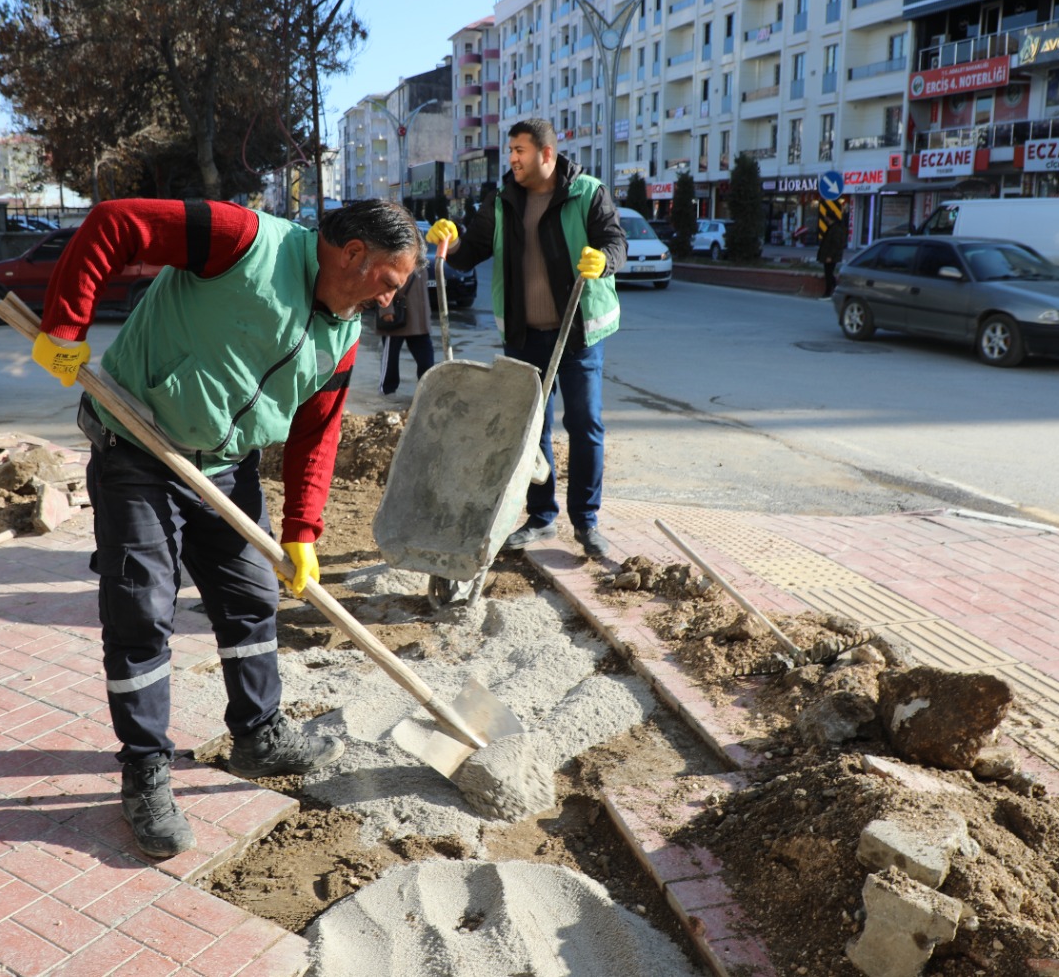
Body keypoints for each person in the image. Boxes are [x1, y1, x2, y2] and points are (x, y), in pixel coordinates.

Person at [32, 197, 422, 859]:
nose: (389, 301)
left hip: (225, 466)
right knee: (141, 612)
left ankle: (258, 734)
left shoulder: (343, 332)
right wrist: (66, 326)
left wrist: (302, 528)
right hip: (137, 446)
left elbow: (317, 432)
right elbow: (114, 224)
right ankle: (145, 771)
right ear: (353, 254)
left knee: (251, 599)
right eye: (388, 282)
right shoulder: (244, 242)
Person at [431, 118, 627, 558]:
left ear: (546, 153)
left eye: (519, 150)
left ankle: (587, 522)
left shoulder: (587, 193)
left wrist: (604, 260)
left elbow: (616, 241)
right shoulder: (502, 201)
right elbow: (471, 253)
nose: (513, 159)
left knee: (585, 424)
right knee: (530, 430)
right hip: (523, 337)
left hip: (577, 334)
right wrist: (453, 242)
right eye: (511, 151)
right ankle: (541, 517)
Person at [375, 256, 435, 395]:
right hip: (396, 319)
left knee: (426, 360)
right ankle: (386, 393)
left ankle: (426, 392)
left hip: (419, 323)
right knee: (390, 360)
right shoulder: (396, 256)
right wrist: (386, 310)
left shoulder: (421, 261)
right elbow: (382, 284)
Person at [817, 203, 848, 299]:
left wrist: (830, 256)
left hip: (831, 256)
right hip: (828, 255)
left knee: (829, 274)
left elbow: (835, 244)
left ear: (829, 218)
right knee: (829, 274)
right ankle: (835, 290)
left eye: (826, 217)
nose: (824, 218)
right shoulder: (831, 228)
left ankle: (828, 293)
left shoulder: (836, 229)